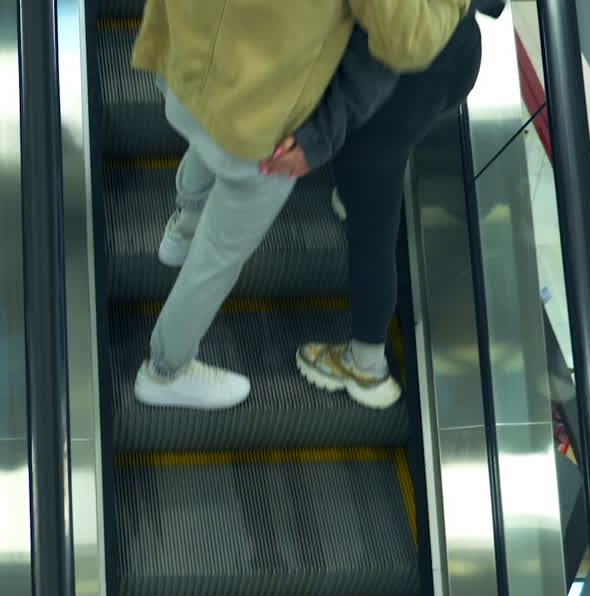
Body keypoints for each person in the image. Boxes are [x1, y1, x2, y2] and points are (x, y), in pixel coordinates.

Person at [131, 0, 473, 411]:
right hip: (260, 116)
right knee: (218, 254)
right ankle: (166, 371)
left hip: (184, 61)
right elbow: (406, 40)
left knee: (205, 136)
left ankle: (183, 226)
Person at [269, 17, 483, 409]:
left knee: (373, 229)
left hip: (402, 77)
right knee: (387, 152)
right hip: (459, 53)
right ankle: (359, 192)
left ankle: (366, 364)